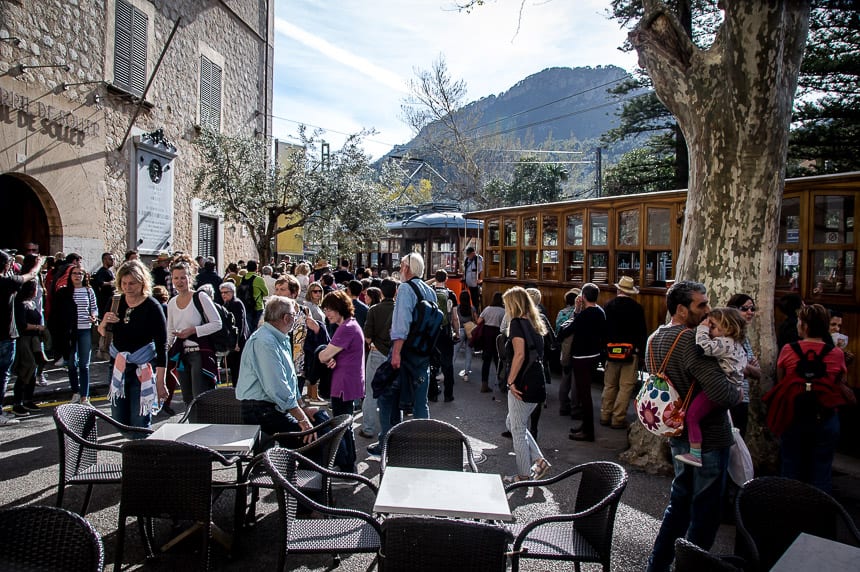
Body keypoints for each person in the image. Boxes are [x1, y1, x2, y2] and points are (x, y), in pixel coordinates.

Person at [645, 281, 742, 572]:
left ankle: (657, 565)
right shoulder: (691, 341)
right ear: (681, 309)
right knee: (705, 512)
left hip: (677, 435)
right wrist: (737, 391)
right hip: (708, 439)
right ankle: (691, 567)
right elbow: (721, 394)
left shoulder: (655, 337)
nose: (708, 310)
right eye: (701, 305)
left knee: (679, 504)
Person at [767, 304, 852, 493]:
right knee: (822, 469)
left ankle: (789, 511)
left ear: (804, 326)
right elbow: (840, 381)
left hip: (793, 415)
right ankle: (818, 515)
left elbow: (782, 380)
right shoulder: (837, 354)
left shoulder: (788, 350)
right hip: (826, 416)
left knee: (790, 465)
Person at [369, 252, 436, 455]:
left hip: (404, 352)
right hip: (422, 354)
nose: (399, 269)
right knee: (419, 402)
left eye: (401, 265)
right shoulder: (428, 290)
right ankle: (421, 446)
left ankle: (387, 444)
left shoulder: (406, 288)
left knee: (386, 397)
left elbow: (401, 324)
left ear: (407, 268)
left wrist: (396, 352)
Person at [235, 296, 318, 444]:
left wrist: (303, 408)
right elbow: (277, 387)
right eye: (294, 315)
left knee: (320, 421)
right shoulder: (265, 341)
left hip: (273, 407)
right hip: (260, 410)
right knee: (311, 439)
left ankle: (343, 465)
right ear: (286, 318)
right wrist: (302, 418)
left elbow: (290, 380)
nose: (296, 318)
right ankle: (307, 466)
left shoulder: (280, 337)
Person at [98, 260, 169, 431]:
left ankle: (142, 454)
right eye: (124, 283)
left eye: (132, 283)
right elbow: (102, 332)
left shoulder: (152, 306)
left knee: (140, 422)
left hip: (142, 367)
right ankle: (134, 450)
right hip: (118, 366)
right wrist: (104, 322)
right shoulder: (115, 301)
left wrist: (161, 382)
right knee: (119, 420)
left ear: (142, 282)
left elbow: (162, 346)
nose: (128, 287)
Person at [673, 307, 748, 467]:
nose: (709, 328)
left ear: (727, 328)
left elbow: (702, 347)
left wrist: (702, 328)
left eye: (713, 326)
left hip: (723, 388)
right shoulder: (738, 344)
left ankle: (695, 454)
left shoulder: (724, 342)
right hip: (734, 389)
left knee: (692, 415)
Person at [501, 287, 551, 484]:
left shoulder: (516, 323)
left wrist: (510, 381)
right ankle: (539, 460)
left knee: (518, 429)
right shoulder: (534, 322)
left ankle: (523, 474)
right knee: (513, 424)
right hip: (536, 379)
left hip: (522, 381)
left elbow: (519, 355)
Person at [318, 290, 365, 471]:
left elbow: (323, 356)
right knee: (346, 425)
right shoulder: (351, 325)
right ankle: (347, 464)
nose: (326, 313)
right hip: (349, 381)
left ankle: (347, 467)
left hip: (343, 383)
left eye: (329, 309)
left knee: (342, 426)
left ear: (339, 308)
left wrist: (323, 353)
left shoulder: (345, 328)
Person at [166, 261, 222, 405]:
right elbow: (170, 332)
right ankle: (191, 427)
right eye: (176, 278)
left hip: (200, 353)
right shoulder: (172, 302)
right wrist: (165, 352)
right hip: (182, 355)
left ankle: (204, 427)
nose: (179, 281)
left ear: (190, 278)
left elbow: (217, 323)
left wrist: (192, 331)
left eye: (183, 277)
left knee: (200, 397)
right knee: (188, 399)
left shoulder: (200, 297)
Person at [558, 283, 606, 442]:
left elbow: (567, 330)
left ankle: (588, 430)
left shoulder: (584, 315)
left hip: (581, 357)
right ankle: (585, 426)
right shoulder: (600, 312)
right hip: (594, 355)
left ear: (583, 297)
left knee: (584, 395)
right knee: (585, 393)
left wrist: (577, 310)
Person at [1, 250, 43, 426]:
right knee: (3, 375)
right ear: (6, 265)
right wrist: (38, 264)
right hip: (5, 336)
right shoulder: (7, 282)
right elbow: (31, 275)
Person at [601, 277, 647, 430]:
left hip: (611, 350)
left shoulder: (608, 305)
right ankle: (618, 418)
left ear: (618, 289)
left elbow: (603, 330)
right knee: (625, 386)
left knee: (610, 385)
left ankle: (605, 415)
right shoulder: (637, 308)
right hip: (631, 352)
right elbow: (642, 332)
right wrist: (641, 353)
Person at [361, 277, 397, 439]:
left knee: (371, 392)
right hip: (395, 353)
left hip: (376, 352)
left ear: (381, 292)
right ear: (396, 292)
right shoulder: (400, 309)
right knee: (392, 393)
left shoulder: (374, 310)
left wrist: (373, 342)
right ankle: (392, 430)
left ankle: (368, 428)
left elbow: (367, 336)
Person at [726, 294, 762, 437]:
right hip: (729, 398)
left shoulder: (744, 338)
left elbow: (757, 372)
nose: (750, 312)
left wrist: (747, 367)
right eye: (745, 308)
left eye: (752, 309)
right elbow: (735, 368)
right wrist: (746, 366)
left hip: (743, 398)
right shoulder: (726, 337)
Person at [11, 281, 45, 416]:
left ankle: (28, 399)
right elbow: (22, 325)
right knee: (26, 369)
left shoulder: (32, 303)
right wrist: (38, 327)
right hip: (25, 341)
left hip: (34, 341)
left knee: (34, 369)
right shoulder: (20, 305)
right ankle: (17, 402)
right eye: (35, 289)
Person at [65, 268, 99, 405]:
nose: (77, 276)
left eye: (80, 273)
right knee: (71, 363)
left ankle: (85, 396)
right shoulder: (66, 291)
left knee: (84, 364)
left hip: (85, 328)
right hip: (71, 331)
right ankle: (75, 392)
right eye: (75, 273)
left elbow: (94, 307)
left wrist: (94, 316)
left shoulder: (88, 291)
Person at [429, 270, 459, 403]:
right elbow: (454, 317)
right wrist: (457, 332)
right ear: (446, 279)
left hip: (431, 332)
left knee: (431, 362)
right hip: (446, 331)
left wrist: (432, 281)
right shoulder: (451, 294)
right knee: (447, 363)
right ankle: (448, 394)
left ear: (435, 278)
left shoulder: (429, 292)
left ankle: (433, 393)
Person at [219, 281, 248, 386]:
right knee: (233, 367)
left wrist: (236, 343)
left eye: (226, 292)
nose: (223, 295)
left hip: (238, 342)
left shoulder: (236, 304)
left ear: (232, 292)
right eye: (222, 293)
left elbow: (239, 325)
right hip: (232, 341)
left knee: (237, 368)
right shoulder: (227, 304)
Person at [476, 291, 506, 393]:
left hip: (487, 335)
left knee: (486, 361)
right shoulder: (503, 311)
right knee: (499, 360)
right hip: (498, 335)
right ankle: (501, 383)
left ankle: (484, 384)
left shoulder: (487, 309)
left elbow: (479, 321)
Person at [90, 252, 115, 355]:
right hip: (104, 302)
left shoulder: (109, 271)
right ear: (105, 260)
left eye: (113, 259)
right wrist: (111, 283)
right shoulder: (102, 272)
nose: (113, 261)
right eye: (110, 259)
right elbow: (99, 282)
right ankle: (103, 346)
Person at [237, 260, 268, 334]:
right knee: (256, 328)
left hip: (246, 305)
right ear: (256, 268)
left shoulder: (243, 278)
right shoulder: (259, 279)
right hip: (258, 306)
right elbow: (266, 293)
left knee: (248, 328)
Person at [455, 289, 478, 382]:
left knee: (454, 352)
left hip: (460, 330)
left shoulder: (457, 307)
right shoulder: (472, 308)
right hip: (470, 331)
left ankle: (448, 372)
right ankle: (466, 374)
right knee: (468, 352)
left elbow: (454, 319)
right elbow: (476, 320)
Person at [463, 246, 483, 310]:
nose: (468, 256)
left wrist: (480, 279)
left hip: (475, 283)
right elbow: (465, 270)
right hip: (469, 283)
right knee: (472, 298)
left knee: (476, 299)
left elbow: (481, 270)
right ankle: (474, 310)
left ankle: (477, 311)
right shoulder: (467, 260)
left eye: (469, 254)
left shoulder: (478, 259)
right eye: (467, 254)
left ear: (473, 253)